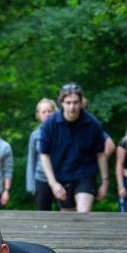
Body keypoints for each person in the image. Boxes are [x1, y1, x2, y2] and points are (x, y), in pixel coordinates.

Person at [39, 83, 109, 213]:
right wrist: (53, 183)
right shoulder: (50, 125)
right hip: (62, 176)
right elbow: (44, 155)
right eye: (68, 103)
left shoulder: (93, 124)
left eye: (76, 102)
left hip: (85, 175)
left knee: (82, 214)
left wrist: (105, 182)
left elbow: (101, 154)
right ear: (62, 103)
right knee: (69, 219)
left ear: (81, 102)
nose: (72, 107)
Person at [26, 99, 58, 211]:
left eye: (50, 111)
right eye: (44, 112)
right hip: (41, 179)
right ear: (38, 115)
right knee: (43, 212)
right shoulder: (35, 135)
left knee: (66, 212)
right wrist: (31, 185)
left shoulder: (62, 131)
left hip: (61, 178)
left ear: (55, 112)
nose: (47, 114)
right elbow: (31, 160)